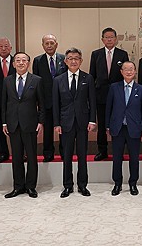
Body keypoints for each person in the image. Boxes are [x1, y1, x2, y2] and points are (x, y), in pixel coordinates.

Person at [53, 48, 97, 198]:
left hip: (83, 122)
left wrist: (92, 120)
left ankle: (83, 185)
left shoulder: (88, 78)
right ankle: (67, 186)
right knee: (66, 156)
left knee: (82, 155)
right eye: (70, 58)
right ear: (65, 61)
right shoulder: (58, 80)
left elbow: (92, 101)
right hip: (65, 123)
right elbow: (56, 103)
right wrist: (56, 123)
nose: (73, 61)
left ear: (81, 61)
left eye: (76, 58)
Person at [2, 52, 44, 199]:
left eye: (24, 60)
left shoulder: (37, 80)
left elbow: (42, 104)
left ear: (28, 63)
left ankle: (31, 186)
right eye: (17, 60)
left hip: (30, 124)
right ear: (13, 64)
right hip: (13, 124)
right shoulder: (7, 81)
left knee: (32, 157)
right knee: (17, 158)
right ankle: (18, 187)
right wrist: (4, 122)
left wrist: (40, 122)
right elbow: (4, 104)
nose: (20, 63)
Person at [106, 61, 142, 196]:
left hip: (134, 128)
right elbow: (108, 108)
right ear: (121, 72)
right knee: (117, 158)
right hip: (117, 128)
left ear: (135, 72)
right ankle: (117, 184)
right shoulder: (114, 87)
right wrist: (107, 126)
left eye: (131, 69)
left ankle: (133, 183)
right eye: (126, 69)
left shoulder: (141, 89)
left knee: (134, 158)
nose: (129, 72)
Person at [90, 27, 129, 161]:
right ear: (102, 39)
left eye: (112, 37)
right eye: (106, 37)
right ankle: (102, 150)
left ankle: (118, 151)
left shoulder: (122, 54)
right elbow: (92, 76)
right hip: (100, 95)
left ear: (116, 39)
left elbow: (126, 75)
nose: (109, 39)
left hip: (118, 95)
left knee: (118, 123)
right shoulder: (96, 54)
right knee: (102, 125)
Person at [32, 34, 67, 162]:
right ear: (43, 45)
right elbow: (36, 82)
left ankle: (64, 152)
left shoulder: (64, 59)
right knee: (47, 130)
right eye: (46, 43)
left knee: (63, 128)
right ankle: (48, 153)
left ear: (56, 44)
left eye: (52, 43)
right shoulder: (37, 61)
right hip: (45, 101)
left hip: (62, 101)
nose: (49, 45)